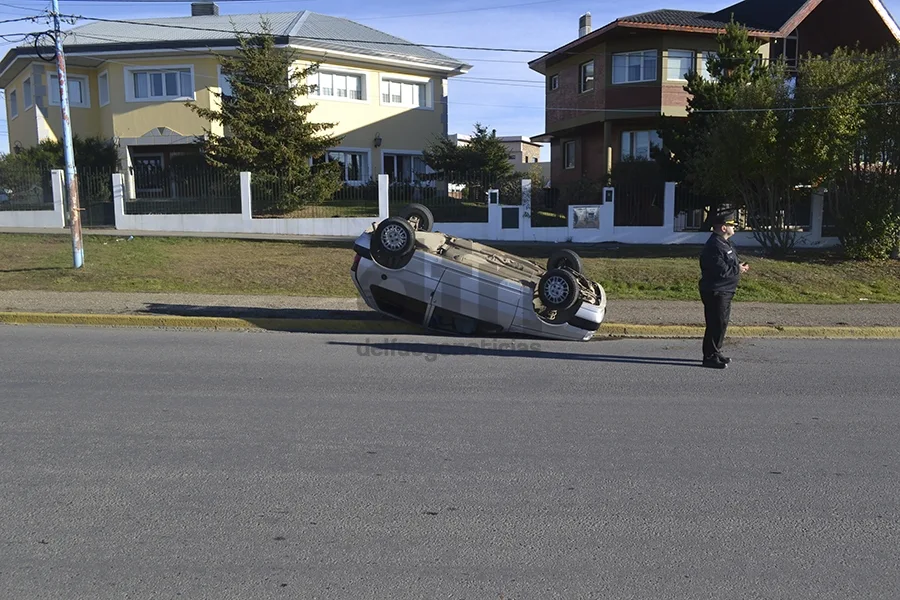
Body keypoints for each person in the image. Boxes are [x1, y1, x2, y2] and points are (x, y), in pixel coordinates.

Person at [698, 210, 749, 369]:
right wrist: (737, 270)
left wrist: (737, 267)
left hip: (725, 290)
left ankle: (716, 352)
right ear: (723, 228)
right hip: (716, 291)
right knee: (715, 323)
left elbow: (728, 263)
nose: (734, 228)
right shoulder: (714, 245)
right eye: (731, 225)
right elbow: (719, 270)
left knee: (721, 323)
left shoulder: (724, 243)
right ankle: (709, 357)